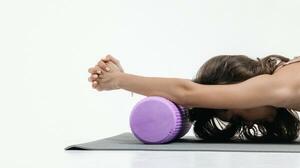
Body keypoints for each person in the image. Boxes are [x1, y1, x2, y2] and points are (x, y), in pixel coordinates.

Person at [88, 54, 300, 142]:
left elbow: (187, 93)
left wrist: (118, 80)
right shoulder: (286, 79)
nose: (245, 119)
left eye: (228, 104)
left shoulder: (278, 86)